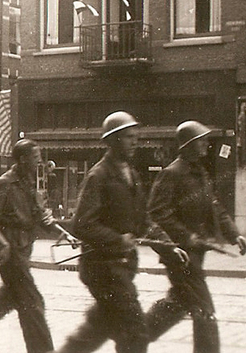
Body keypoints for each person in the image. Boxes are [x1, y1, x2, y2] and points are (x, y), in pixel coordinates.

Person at [57, 112, 187, 353]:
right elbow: (82, 224)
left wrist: (170, 246)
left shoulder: (131, 175)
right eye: (128, 137)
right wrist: (118, 240)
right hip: (103, 269)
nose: (135, 142)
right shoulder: (99, 176)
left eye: (136, 137)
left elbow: (144, 220)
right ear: (113, 140)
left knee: (97, 328)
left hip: (120, 268)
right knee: (135, 335)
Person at [0, 139, 78, 353]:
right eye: (35, 158)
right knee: (33, 303)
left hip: (22, 250)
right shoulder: (5, 183)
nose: (39, 162)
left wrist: (64, 234)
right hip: (10, 254)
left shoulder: (28, 181)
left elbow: (40, 216)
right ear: (22, 160)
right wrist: (3, 244)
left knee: (9, 297)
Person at [145, 120, 246, 353]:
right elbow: (157, 214)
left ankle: (136, 336)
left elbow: (215, 207)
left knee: (178, 304)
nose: (206, 146)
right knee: (204, 309)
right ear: (188, 146)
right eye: (201, 141)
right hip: (180, 256)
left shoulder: (199, 173)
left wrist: (234, 235)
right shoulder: (171, 174)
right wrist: (186, 237)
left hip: (195, 254)